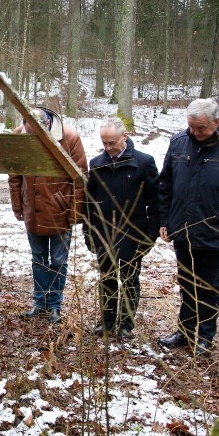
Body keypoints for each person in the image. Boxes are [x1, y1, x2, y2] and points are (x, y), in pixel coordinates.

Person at [157, 98, 219, 356]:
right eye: (192, 127)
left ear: (217, 121)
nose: (195, 132)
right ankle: (185, 330)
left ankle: (205, 336)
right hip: (182, 230)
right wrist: (164, 220)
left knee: (209, 286)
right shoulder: (179, 142)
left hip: (215, 232)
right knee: (187, 283)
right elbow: (165, 184)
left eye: (201, 128)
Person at [9, 106, 88, 324]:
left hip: (60, 212)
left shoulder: (69, 138)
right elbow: (14, 175)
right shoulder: (19, 135)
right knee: (38, 260)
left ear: (47, 126)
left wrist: (74, 213)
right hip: (32, 210)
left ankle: (55, 305)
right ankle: (39, 303)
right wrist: (18, 206)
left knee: (58, 261)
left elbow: (79, 179)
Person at [83, 118, 158, 340]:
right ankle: (106, 321)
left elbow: (154, 201)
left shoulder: (144, 163)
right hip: (103, 233)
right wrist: (89, 232)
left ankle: (126, 324)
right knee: (106, 278)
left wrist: (150, 235)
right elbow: (89, 201)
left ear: (125, 137)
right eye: (104, 143)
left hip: (133, 233)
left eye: (112, 143)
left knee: (129, 279)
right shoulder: (97, 163)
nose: (107, 148)